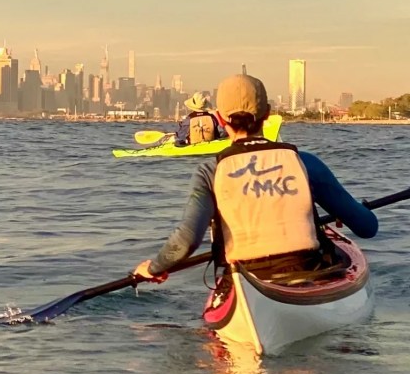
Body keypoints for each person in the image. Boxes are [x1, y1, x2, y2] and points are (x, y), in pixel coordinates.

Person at [134, 74, 378, 284]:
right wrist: (354, 210)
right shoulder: (305, 163)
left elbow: (186, 241)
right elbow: (367, 228)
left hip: (246, 278)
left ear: (220, 118)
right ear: (268, 114)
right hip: (308, 272)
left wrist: (154, 267)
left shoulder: (210, 171)